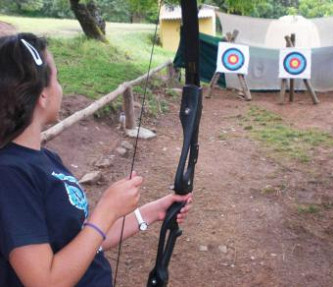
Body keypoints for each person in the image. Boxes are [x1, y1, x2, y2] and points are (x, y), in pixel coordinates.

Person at [0, 33, 193, 287]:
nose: (61, 87)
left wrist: (150, 213)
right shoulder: (9, 175)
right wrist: (107, 209)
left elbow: (87, 239)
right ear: (42, 95)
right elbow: (44, 281)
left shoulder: (44, 159)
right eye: (57, 79)